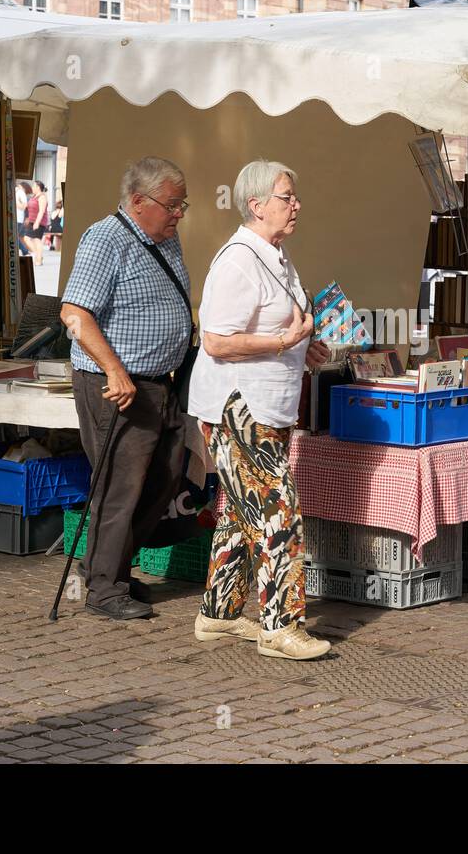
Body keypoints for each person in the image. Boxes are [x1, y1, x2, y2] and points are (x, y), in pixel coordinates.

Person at [188, 160, 333, 661]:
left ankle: (219, 615)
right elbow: (216, 341)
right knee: (280, 511)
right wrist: (282, 342)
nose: (296, 205)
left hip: (268, 406)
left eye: (294, 196)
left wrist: (302, 348)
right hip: (236, 407)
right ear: (256, 205)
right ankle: (281, 626)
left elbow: (283, 328)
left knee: (244, 512)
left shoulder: (276, 254)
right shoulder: (237, 261)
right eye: (286, 197)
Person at [60, 157, 194, 621]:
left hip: (160, 383)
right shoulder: (106, 239)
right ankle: (103, 586)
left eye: (182, 205)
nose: (179, 214)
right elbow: (74, 313)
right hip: (118, 384)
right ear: (139, 201)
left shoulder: (165, 239)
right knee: (121, 486)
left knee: (166, 477)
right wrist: (114, 369)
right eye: (172, 205)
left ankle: (105, 563)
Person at [22, 179, 49, 266]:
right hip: (31, 221)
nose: (32, 188)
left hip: (40, 221)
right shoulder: (34, 197)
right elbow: (28, 208)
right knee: (27, 238)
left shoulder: (42, 197)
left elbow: (41, 211)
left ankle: (39, 258)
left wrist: (37, 222)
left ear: (38, 187)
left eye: (34, 186)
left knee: (37, 240)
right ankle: (38, 256)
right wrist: (27, 218)